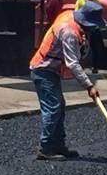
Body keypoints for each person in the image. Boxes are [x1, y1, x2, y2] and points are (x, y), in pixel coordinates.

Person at [29, 9, 99, 160]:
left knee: (59, 105)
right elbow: (72, 63)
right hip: (43, 68)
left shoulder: (70, 16)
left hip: (51, 69)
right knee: (53, 107)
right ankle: (46, 148)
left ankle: (58, 145)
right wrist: (89, 85)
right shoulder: (69, 32)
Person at [74, 0, 106, 73]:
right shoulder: (81, 1)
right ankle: (79, 66)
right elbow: (77, 14)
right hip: (84, 28)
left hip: (94, 28)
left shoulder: (96, 1)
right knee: (82, 48)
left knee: (96, 48)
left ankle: (95, 67)